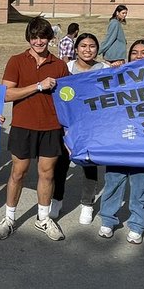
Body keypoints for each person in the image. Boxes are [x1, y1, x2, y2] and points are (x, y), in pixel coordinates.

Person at [0, 17, 70, 241]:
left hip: (51, 126)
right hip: (23, 125)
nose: (39, 41)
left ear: (50, 38)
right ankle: (9, 218)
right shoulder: (16, 61)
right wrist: (38, 86)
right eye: (35, 37)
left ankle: (43, 218)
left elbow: (69, 98)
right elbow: (6, 94)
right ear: (29, 38)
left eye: (43, 37)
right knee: (18, 173)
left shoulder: (59, 65)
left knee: (47, 174)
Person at [97, 40, 144, 244]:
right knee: (114, 180)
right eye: (134, 52)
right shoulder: (119, 76)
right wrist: (112, 72)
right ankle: (108, 219)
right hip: (120, 139)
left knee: (142, 184)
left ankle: (137, 224)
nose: (139, 56)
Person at [54, 33, 105, 225]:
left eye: (92, 46)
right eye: (83, 46)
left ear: (97, 49)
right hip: (67, 125)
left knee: (89, 165)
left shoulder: (104, 69)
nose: (87, 50)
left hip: (92, 127)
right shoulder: (66, 68)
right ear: (76, 49)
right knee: (61, 164)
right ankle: (56, 199)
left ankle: (87, 203)